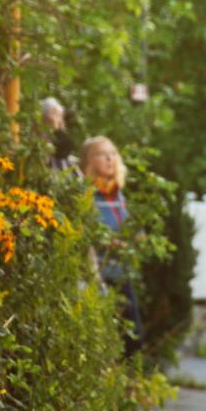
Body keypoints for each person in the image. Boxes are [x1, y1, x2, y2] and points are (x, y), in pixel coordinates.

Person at [82, 135, 143, 346]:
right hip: (97, 277)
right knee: (102, 341)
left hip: (121, 275)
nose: (109, 158)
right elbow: (84, 234)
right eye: (101, 154)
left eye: (112, 153)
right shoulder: (86, 195)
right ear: (88, 161)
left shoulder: (119, 195)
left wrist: (136, 238)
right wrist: (109, 242)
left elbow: (135, 231)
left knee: (133, 338)